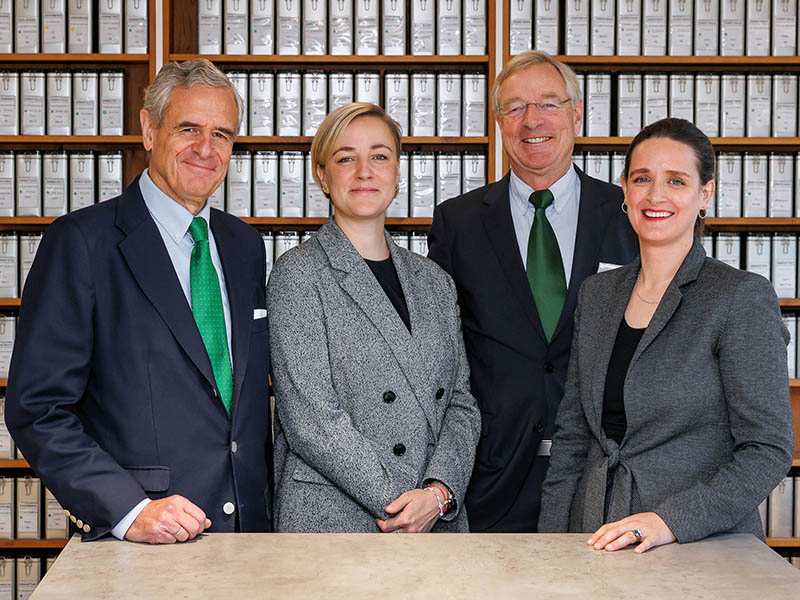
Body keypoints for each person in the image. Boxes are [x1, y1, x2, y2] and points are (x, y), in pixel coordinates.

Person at [5, 59, 272, 543]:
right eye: (189, 128)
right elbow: (37, 408)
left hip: (250, 537)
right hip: (142, 543)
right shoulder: (82, 243)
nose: (205, 150)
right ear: (149, 129)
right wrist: (130, 510)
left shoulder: (245, 246)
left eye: (223, 135)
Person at [538, 118, 794, 552]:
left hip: (699, 545)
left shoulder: (739, 298)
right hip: (594, 538)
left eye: (676, 181)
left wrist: (668, 521)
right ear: (625, 189)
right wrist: (548, 550)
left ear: (705, 193)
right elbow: (573, 438)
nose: (656, 196)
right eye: (643, 179)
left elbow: (767, 448)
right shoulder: (598, 295)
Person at [427, 50, 638, 532]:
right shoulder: (457, 222)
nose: (532, 120)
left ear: (576, 114)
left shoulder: (630, 213)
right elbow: (439, 349)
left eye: (548, 103)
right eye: (515, 108)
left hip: (604, 472)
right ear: (499, 122)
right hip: (492, 474)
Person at [267, 103, 480, 533]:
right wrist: (405, 501)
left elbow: (461, 404)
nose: (365, 171)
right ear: (322, 176)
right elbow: (311, 421)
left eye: (379, 156)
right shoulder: (297, 274)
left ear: (398, 174)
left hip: (433, 518)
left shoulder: (435, 282)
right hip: (335, 521)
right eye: (346, 158)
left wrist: (438, 494)